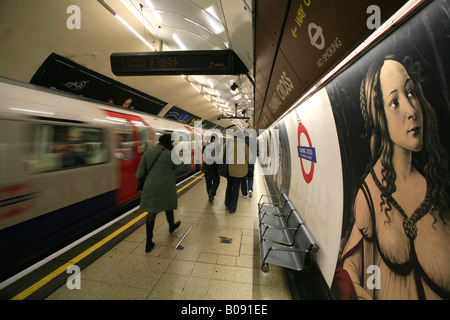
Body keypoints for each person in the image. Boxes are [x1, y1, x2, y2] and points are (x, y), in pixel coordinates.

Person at [332, 55, 450, 300]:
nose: (411, 110)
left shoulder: (436, 187)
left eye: (411, 93)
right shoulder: (371, 194)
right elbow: (351, 267)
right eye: (395, 102)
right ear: (380, 118)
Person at [136, 134, 184, 252]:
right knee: (168, 206)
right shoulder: (170, 153)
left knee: (152, 212)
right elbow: (180, 167)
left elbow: (139, 173)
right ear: (170, 143)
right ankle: (171, 226)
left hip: (151, 186)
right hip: (166, 187)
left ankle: (148, 243)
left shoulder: (149, 152)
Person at [224, 135, 250, 213]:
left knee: (229, 186)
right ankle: (232, 208)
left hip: (229, 170)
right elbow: (249, 158)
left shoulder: (227, 145)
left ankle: (227, 203)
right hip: (239, 172)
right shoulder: (244, 146)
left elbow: (221, 155)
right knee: (236, 189)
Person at [203, 135, 221, 202]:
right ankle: (212, 193)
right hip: (214, 167)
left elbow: (204, 155)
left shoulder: (205, 146)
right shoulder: (217, 146)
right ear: (213, 139)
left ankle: (210, 195)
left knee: (208, 182)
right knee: (216, 181)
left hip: (206, 167)